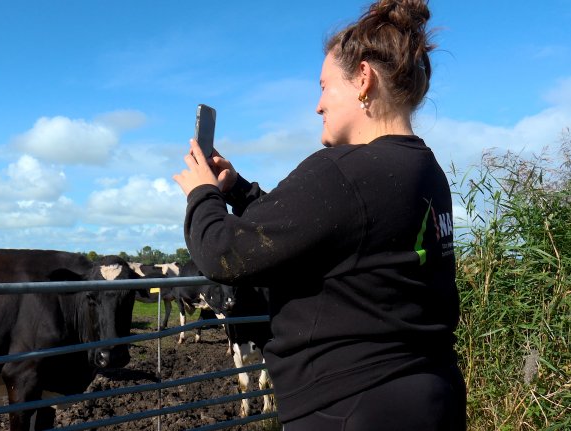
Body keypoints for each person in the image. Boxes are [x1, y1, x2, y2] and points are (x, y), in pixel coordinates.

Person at [172, 0, 466, 430]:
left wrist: (201, 193)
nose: (317, 105)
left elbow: (222, 254)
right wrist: (237, 190)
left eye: (325, 86)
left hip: (350, 408)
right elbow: (323, 229)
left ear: (363, 79)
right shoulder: (423, 170)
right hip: (429, 395)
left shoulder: (341, 171)